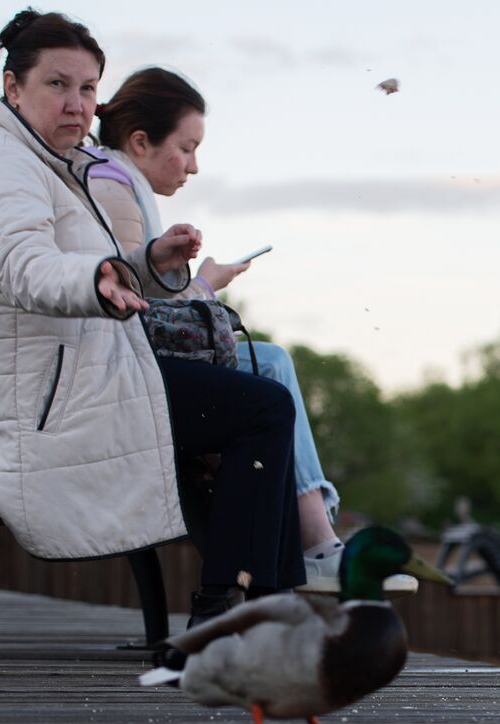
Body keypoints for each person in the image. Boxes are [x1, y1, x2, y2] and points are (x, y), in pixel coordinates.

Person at [0, 10, 304, 629]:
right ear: (12, 87)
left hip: (84, 379)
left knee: (259, 403)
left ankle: (265, 608)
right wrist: (97, 277)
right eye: (57, 84)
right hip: (47, 406)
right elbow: (27, 267)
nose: (77, 104)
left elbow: (92, 269)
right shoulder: (3, 166)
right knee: (264, 407)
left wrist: (147, 263)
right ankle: (238, 612)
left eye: (87, 88)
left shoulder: (52, 161)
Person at [85, 67, 346, 588]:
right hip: (120, 384)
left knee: (268, 364)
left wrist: (194, 282)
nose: (194, 166)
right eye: (187, 147)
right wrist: (202, 288)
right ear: (140, 141)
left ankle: (314, 540)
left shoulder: (117, 183)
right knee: (269, 366)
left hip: (116, 371)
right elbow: (138, 315)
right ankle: (314, 541)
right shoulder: (117, 196)